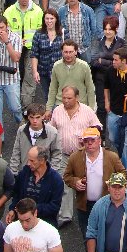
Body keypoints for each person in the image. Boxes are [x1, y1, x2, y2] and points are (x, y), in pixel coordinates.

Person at [63, 127, 126, 252]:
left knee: (107, 232)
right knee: (88, 234)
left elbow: (123, 173)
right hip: (85, 205)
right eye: (86, 140)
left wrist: (113, 183)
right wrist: (76, 182)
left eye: (92, 140)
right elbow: (67, 176)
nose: (89, 143)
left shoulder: (111, 157)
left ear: (99, 141)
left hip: (106, 203)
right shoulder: (75, 157)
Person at [49, 86, 101, 226]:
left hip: (83, 156)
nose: (65, 101)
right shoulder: (58, 111)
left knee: (87, 183)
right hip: (63, 155)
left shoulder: (87, 111)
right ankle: (65, 216)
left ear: (77, 97)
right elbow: (51, 130)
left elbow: (97, 127)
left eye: (69, 98)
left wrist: (87, 136)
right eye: (64, 98)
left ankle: (92, 213)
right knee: (63, 183)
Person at [3, 0, 43, 109]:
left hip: (31, 48)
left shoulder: (37, 11)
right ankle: (15, 101)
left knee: (30, 76)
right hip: (14, 48)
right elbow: (6, 30)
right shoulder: (9, 11)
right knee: (14, 74)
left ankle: (26, 106)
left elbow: (40, 31)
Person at [6, 146, 64, 229]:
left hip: (44, 224)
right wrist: (12, 210)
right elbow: (16, 194)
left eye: (32, 161)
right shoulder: (24, 173)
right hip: (22, 222)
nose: (28, 163)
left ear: (42, 161)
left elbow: (54, 206)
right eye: (29, 159)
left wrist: (30, 210)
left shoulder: (56, 180)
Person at [9, 103, 62, 176]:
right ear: (28, 117)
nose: (34, 121)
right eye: (31, 117)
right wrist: (13, 173)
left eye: (37, 117)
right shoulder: (21, 130)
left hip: (44, 175)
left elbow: (56, 154)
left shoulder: (52, 133)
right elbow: (16, 152)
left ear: (43, 116)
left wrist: (51, 174)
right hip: (25, 173)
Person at [46, 40, 95, 116]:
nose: (68, 55)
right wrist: (48, 108)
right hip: (61, 104)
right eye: (66, 52)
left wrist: (91, 108)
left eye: (71, 52)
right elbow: (53, 88)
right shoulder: (56, 66)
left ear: (76, 52)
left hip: (80, 105)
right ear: (62, 52)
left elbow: (90, 88)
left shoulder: (84, 66)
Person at [29, 9, 64, 99]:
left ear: (56, 19)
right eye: (47, 18)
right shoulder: (38, 34)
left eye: (51, 18)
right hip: (43, 71)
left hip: (59, 72)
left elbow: (68, 51)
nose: (49, 21)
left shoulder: (63, 33)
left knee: (60, 96)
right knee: (47, 97)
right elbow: (34, 53)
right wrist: (35, 71)